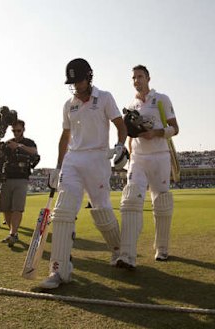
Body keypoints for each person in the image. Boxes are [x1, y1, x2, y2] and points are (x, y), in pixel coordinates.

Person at [40, 58, 127, 289]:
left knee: (102, 209)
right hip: (73, 160)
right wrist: (57, 167)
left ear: (89, 76)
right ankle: (58, 271)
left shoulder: (105, 97)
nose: (76, 86)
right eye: (72, 82)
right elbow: (64, 137)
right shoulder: (69, 105)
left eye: (78, 80)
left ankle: (119, 250)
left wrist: (120, 146)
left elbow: (121, 125)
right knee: (62, 212)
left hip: (98, 158)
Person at [117, 64, 179, 270]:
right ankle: (127, 255)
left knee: (161, 202)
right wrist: (129, 154)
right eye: (133, 77)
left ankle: (161, 248)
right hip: (138, 158)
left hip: (160, 156)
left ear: (148, 78)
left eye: (140, 76)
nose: (136, 80)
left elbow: (175, 128)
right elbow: (128, 134)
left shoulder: (161, 99)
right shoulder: (131, 105)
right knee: (131, 198)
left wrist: (157, 133)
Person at [0, 119, 38, 246]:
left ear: (23, 130)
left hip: (21, 178)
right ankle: (13, 233)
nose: (16, 133)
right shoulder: (8, 143)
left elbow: (34, 152)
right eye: (14, 130)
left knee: (17, 208)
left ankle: (13, 234)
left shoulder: (28, 142)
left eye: (18, 130)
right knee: (5, 209)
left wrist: (19, 146)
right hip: (7, 178)